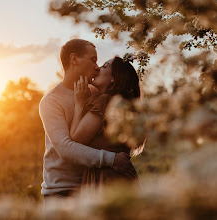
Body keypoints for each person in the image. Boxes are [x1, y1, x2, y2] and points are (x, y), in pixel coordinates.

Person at [39, 39, 133, 203]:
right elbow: (66, 148)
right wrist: (112, 159)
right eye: (93, 60)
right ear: (74, 59)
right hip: (61, 192)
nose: (97, 67)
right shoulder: (51, 101)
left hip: (93, 189)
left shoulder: (95, 94)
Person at [70, 56, 142, 187]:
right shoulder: (124, 105)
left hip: (106, 178)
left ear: (114, 78)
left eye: (104, 66)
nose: (97, 69)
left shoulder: (104, 102)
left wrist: (79, 104)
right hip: (123, 178)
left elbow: (75, 140)